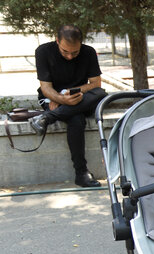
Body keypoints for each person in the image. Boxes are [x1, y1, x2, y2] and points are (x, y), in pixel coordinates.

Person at [29, 25, 107, 188]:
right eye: (65, 51)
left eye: (75, 52)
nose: (70, 56)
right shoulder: (43, 51)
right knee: (76, 118)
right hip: (51, 99)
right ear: (57, 41)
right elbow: (46, 87)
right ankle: (81, 174)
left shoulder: (89, 52)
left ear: (81, 44)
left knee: (100, 93)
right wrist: (59, 98)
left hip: (80, 98)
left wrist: (69, 93)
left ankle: (46, 118)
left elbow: (95, 84)